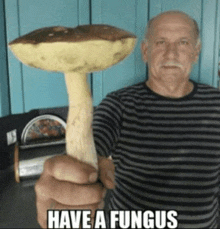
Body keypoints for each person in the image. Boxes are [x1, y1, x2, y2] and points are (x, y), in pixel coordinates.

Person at [35, 10, 220, 228]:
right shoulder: (119, 104)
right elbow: (92, 144)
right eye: (161, 42)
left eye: (183, 42)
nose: (172, 54)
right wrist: (69, 182)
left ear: (196, 52)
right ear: (145, 51)